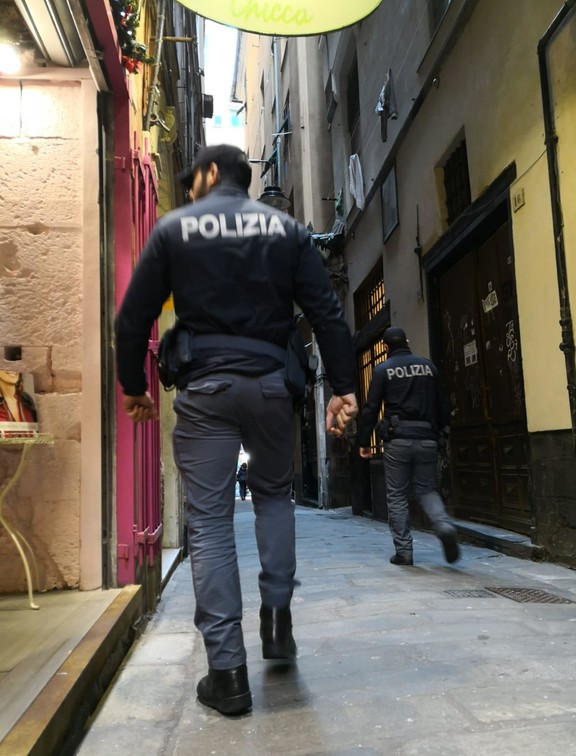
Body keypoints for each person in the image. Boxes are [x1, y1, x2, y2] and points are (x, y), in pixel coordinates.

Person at [114, 144, 358, 716]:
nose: (189, 189)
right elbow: (326, 313)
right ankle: (277, 622)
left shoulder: (176, 228)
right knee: (274, 497)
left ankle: (227, 674)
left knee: (209, 521)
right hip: (272, 387)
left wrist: (134, 386)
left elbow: (132, 318)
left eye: (191, 180)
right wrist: (344, 387)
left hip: (204, 392)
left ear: (210, 173)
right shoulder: (288, 231)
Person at [356, 327, 459, 567]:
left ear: (385, 347)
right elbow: (443, 403)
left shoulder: (382, 370)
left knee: (397, 495)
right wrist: (443, 433)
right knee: (427, 490)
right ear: (407, 341)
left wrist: (363, 441)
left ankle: (404, 552)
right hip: (427, 438)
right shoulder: (429, 367)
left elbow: (371, 408)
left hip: (397, 440)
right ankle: (443, 525)